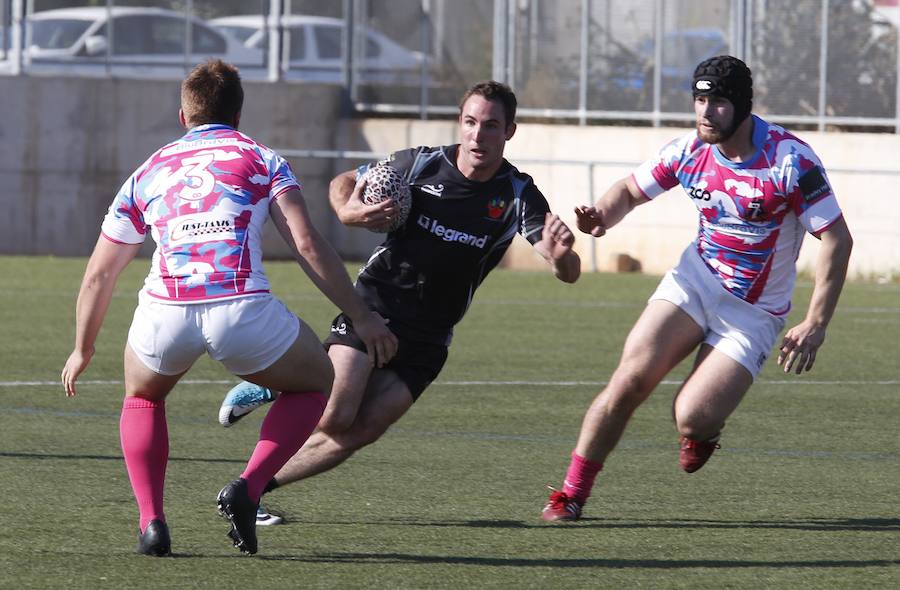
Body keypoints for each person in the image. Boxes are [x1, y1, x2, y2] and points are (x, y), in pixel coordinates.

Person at [60, 59, 397, 555]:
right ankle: (249, 484)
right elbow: (306, 244)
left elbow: (99, 273)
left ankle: (152, 523)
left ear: (183, 116)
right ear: (238, 114)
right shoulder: (262, 159)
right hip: (242, 311)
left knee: (144, 398)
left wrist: (82, 347)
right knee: (317, 382)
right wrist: (363, 316)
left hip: (166, 311)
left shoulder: (147, 171)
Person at [218, 80, 582, 522]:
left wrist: (563, 258)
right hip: (375, 308)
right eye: (470, 122)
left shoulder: (518, 193)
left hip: (431, 337)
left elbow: (562, 265)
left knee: (361, 431)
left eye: (490, 125)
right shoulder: (421, 163)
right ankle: (285, 381)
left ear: (510, 132)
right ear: (459, 123)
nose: (477, 135)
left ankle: (246, 493)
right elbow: (345, 180)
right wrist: (347, 210)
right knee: (335, 416)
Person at [541, 55, 853, 522]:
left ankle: (701, 432)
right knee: (629, 379)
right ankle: (570, 495)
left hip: (753, 313)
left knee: (692, 415)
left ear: (744, 106)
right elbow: (629, 189)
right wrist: (601, 217)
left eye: (719, 101)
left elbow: (836, 237)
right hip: (695, 283)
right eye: (700, 99)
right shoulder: (689, 150)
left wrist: (816, 321)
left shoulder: (790, 161)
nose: (706, 112)